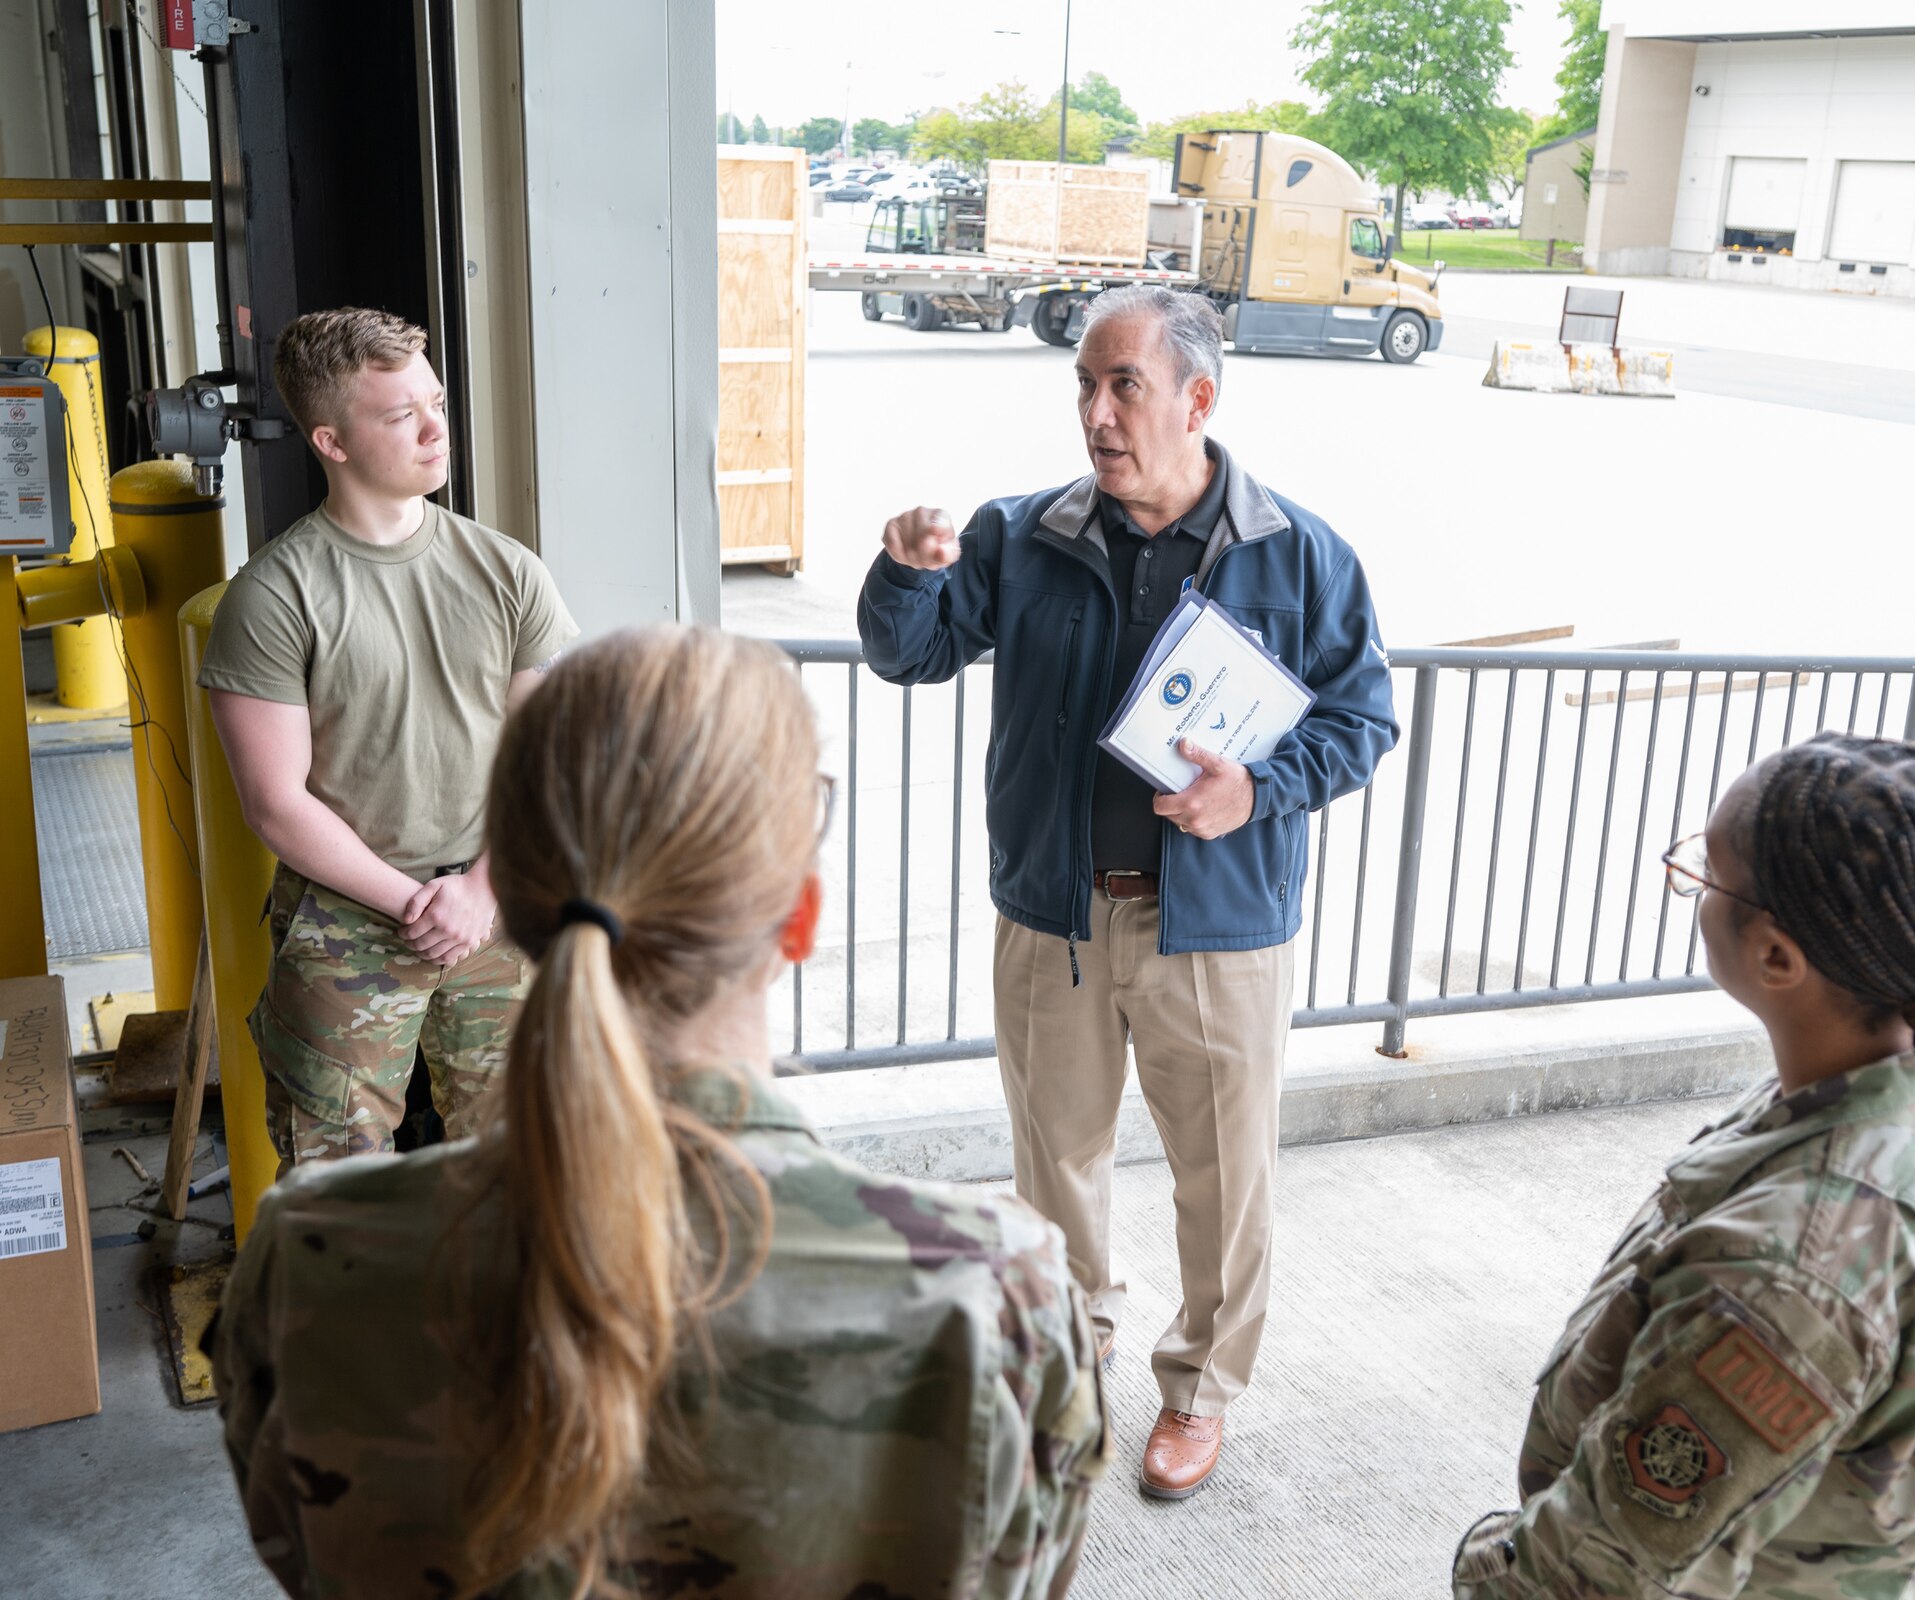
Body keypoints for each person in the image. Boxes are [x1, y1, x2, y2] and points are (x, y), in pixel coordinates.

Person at [208, 625, 1108, 1598]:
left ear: (510, 892)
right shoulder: (991, 1296)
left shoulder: (308, 1257)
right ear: (797, 915)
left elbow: (295, 1548)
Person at [857, 285, 1398, 1498]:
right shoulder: (1021, 533)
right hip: (1054, 915)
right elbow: (914, 652)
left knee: (1224, 1177)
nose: (1096, 416)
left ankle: (1198, 1392)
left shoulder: (1299, 555)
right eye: (1084, 389)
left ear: (1196, 399)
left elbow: (1362, 722)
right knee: (1054, 1163)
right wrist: (901, 577)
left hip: (1211, 928)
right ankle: (1071, 1352)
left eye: (1123, 388)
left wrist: (1251, 792)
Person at [1454, 734, 1915, 1598]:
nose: (1693, 891)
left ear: (1778, 957)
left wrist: (1487, 1561)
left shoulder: (1789, 1274)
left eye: (1704, 874)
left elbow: (1590, 1576)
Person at [198, 307, 576, 1171]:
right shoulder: (274, 596)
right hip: (348, 923)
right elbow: (276, 803)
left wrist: (477, 888)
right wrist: (418, 905)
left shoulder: (509, 570)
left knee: (524, 1171)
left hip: (501, 902)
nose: (437, 429)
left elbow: (548, 757)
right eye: (402, 415)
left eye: (435, 401)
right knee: (337, 1191)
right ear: (330, 440)